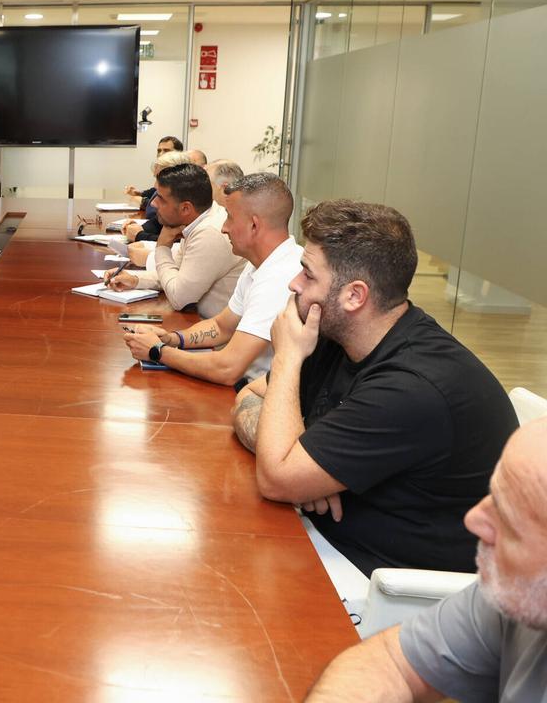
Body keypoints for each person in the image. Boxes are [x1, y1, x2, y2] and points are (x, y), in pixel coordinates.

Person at [233, 200, 516, 576]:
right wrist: (297, 461)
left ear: (354, 296)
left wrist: (285, 358)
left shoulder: (412, 387)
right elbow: (247, 398)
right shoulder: (339, 336)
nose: (293, 284)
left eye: (308, 274)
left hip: (387, 588)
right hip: (325, 540)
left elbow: (276, 479)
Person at [304, 418, 547, 701]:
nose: (473, 519)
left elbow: (283, 475)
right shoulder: (518, 593)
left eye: (506, 517)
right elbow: (392, 663)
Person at [122, 173, 303, 386]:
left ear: (254, 225)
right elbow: (221, 326)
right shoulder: (261, 262)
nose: (224, 227)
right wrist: (172, 339)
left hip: (257, 396)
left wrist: (157, 351)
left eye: (230, 217)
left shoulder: (281, 276)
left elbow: (227, 369)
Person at [105, 164, 245, 318]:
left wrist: (163, 247)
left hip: (216, 335)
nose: (153, 203)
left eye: (161, 199)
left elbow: (180, 299)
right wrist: (136, 280)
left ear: (186, 208)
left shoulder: (209, 233)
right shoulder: (200, 219)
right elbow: (177, 273)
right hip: (198, 321)